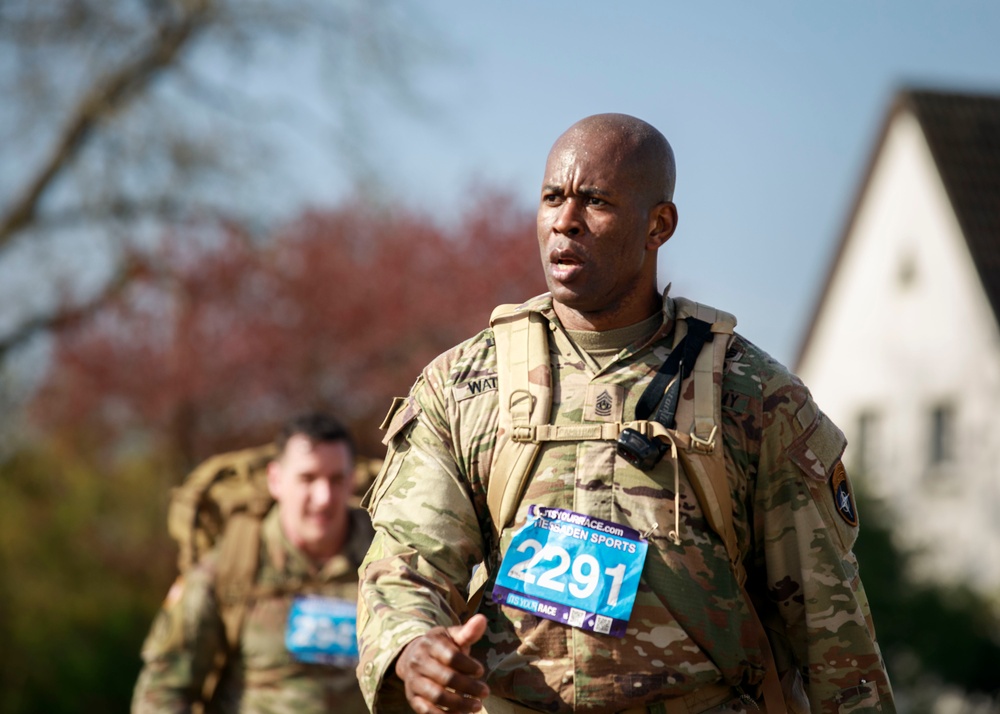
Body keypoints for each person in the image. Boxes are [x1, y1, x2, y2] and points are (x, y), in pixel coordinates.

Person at [356, 114, 895, 714]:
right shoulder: (463, 386)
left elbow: (830, 628)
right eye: (552, 198)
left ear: (657, 225)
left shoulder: (753, 394)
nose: (564, 221)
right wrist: (411, 645)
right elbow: (408, 558)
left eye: (595, 201)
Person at [132, 411, 374, 714]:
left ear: (352, 480)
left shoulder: (389, 560)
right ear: (276, 480)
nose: (323, 497)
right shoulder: (231, 566)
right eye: (307, 478)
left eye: (336, 479)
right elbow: (164, 688)